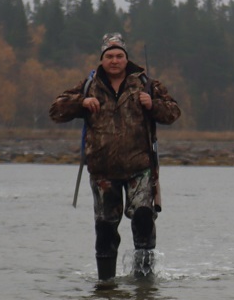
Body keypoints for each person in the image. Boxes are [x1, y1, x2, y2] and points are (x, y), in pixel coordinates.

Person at [50, 33, 181, 281]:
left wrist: (153, 104)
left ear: (126, 58)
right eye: (109, 56)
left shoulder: (146, 84)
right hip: (102, 172)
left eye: (119, 56)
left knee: (143, 219)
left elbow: (174, 113)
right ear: (101, 59)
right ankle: (106, 286)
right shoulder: (89, 85)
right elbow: (55, 110)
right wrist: (81, 102)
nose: (114, 60)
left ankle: (144, 282)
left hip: (140, 168)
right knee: (105, 229)